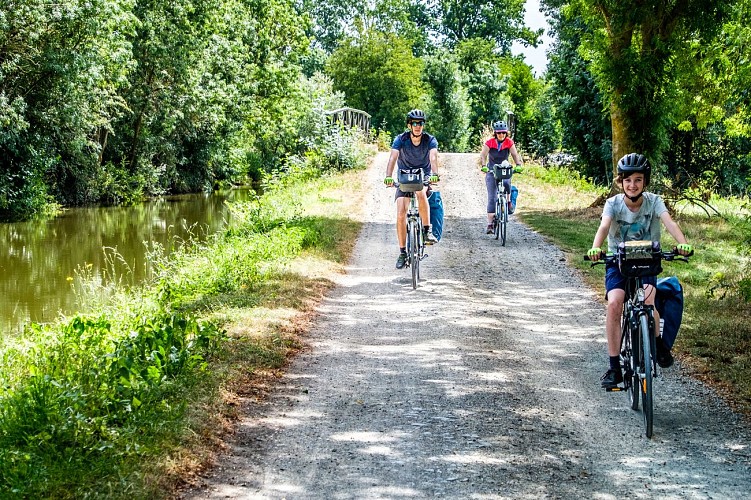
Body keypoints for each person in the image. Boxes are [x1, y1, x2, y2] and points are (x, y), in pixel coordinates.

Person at [587, 153, 693, 389]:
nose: (632, 185)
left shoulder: (654, 201)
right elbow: (604, 226)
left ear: (645, 181)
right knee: (615, 303)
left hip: (648, 259)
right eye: (627, 180)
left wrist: (682, 243)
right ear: (620, 182)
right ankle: (615, 366)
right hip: (619, 260)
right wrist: (596, 248)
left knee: (649, 302)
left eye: (638, 179)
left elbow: (669, 222)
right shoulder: (613, 204)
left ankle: (657, 345)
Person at [384, 109, 440, 269]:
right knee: (401, 212)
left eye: (420, 123)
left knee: (421, 191)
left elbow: (433, 157)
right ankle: (402, 252)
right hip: (405, 176)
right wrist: (388, 175)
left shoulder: (430, 140)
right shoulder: (400, 139)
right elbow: (393, 157)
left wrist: (435, 174)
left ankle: (427, 231)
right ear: (409, 125)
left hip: (422, 176)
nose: (418, 126)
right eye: (414, 123)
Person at [479, 121, 523, 234]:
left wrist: (518, 165)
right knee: (492, 198)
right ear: (495, 133)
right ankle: (490, 224)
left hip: (504, 168)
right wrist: (484, 166)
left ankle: (508, 202)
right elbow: (483, 155)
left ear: (506, 133)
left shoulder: (509, 142)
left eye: (503, 133)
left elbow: (514, 154)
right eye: (499, 133)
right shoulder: (490, 142)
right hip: (492, 170)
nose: (501, 135)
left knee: (507, 183)